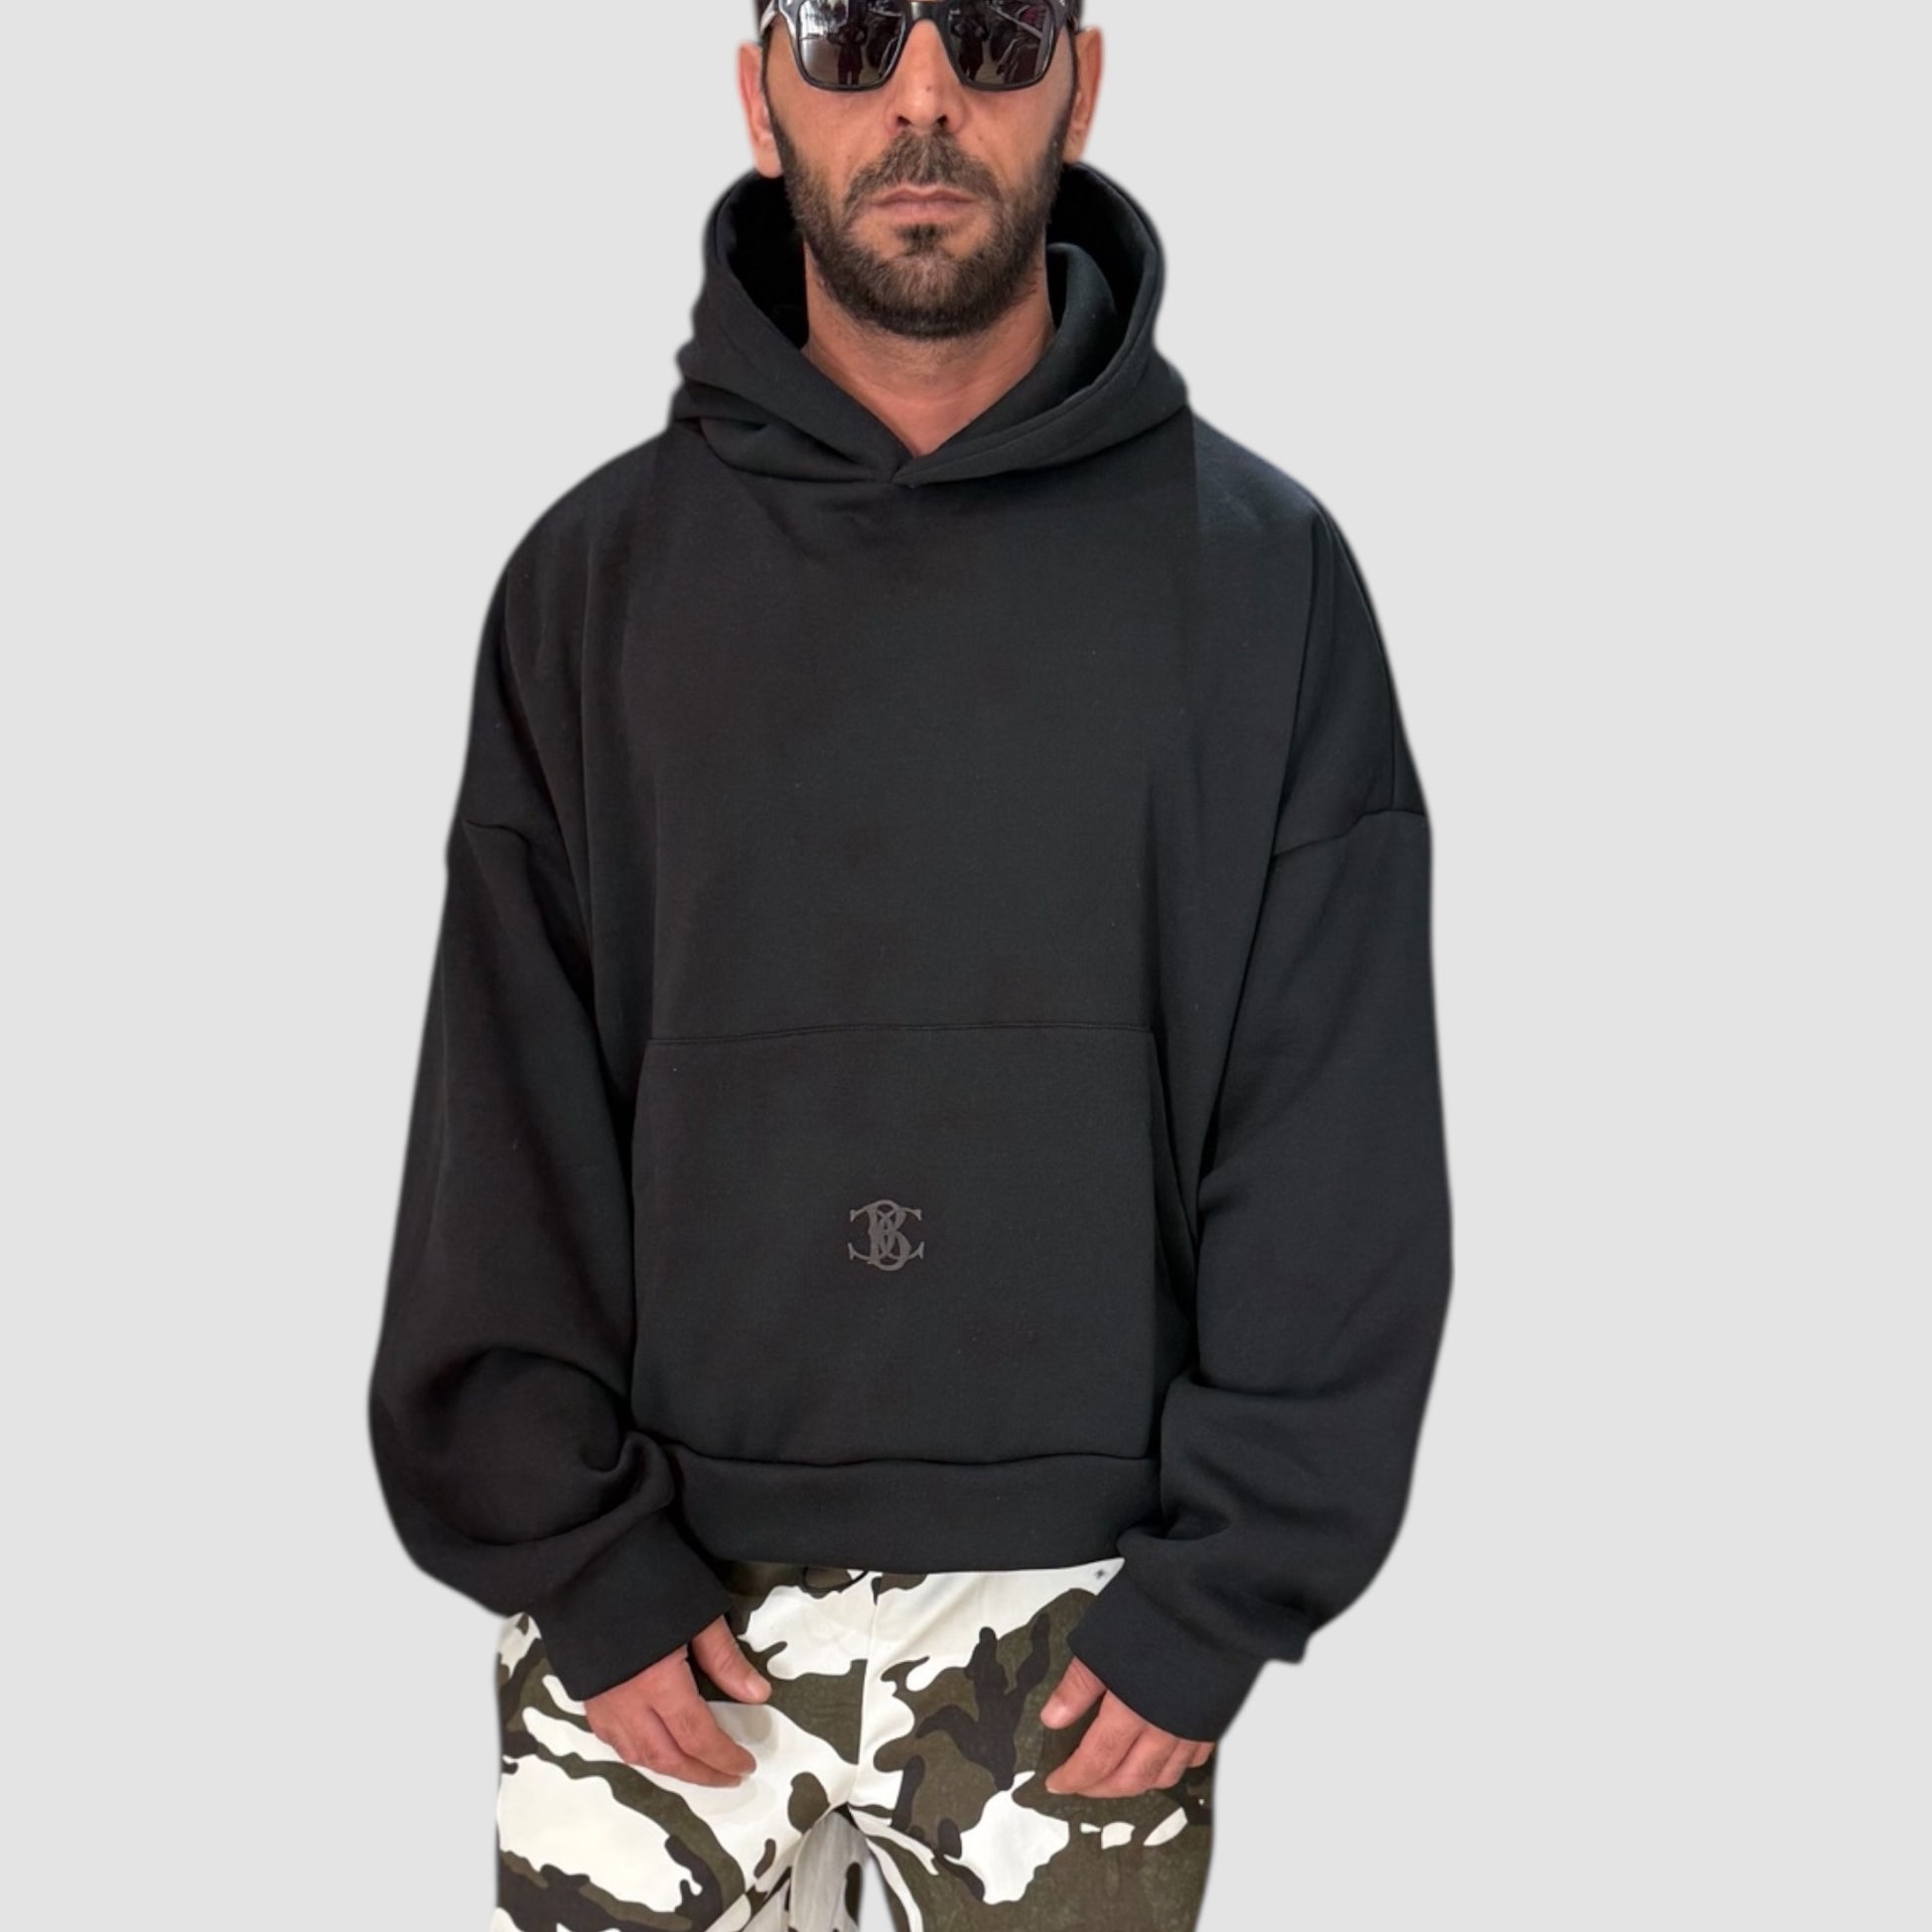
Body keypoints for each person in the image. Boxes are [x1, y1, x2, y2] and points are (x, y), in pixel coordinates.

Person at [365, 2, 1454, 1926]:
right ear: (760, 92)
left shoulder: (1262, 575)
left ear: (1079, 83)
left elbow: (1333, 1113)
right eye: (854, 35)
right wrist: (572, 1551)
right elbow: (501, 1109)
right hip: (652, 1619)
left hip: (1091, 1627)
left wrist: (1227, 1584)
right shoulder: (591, 583)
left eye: (997, 36)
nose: (926, 96)